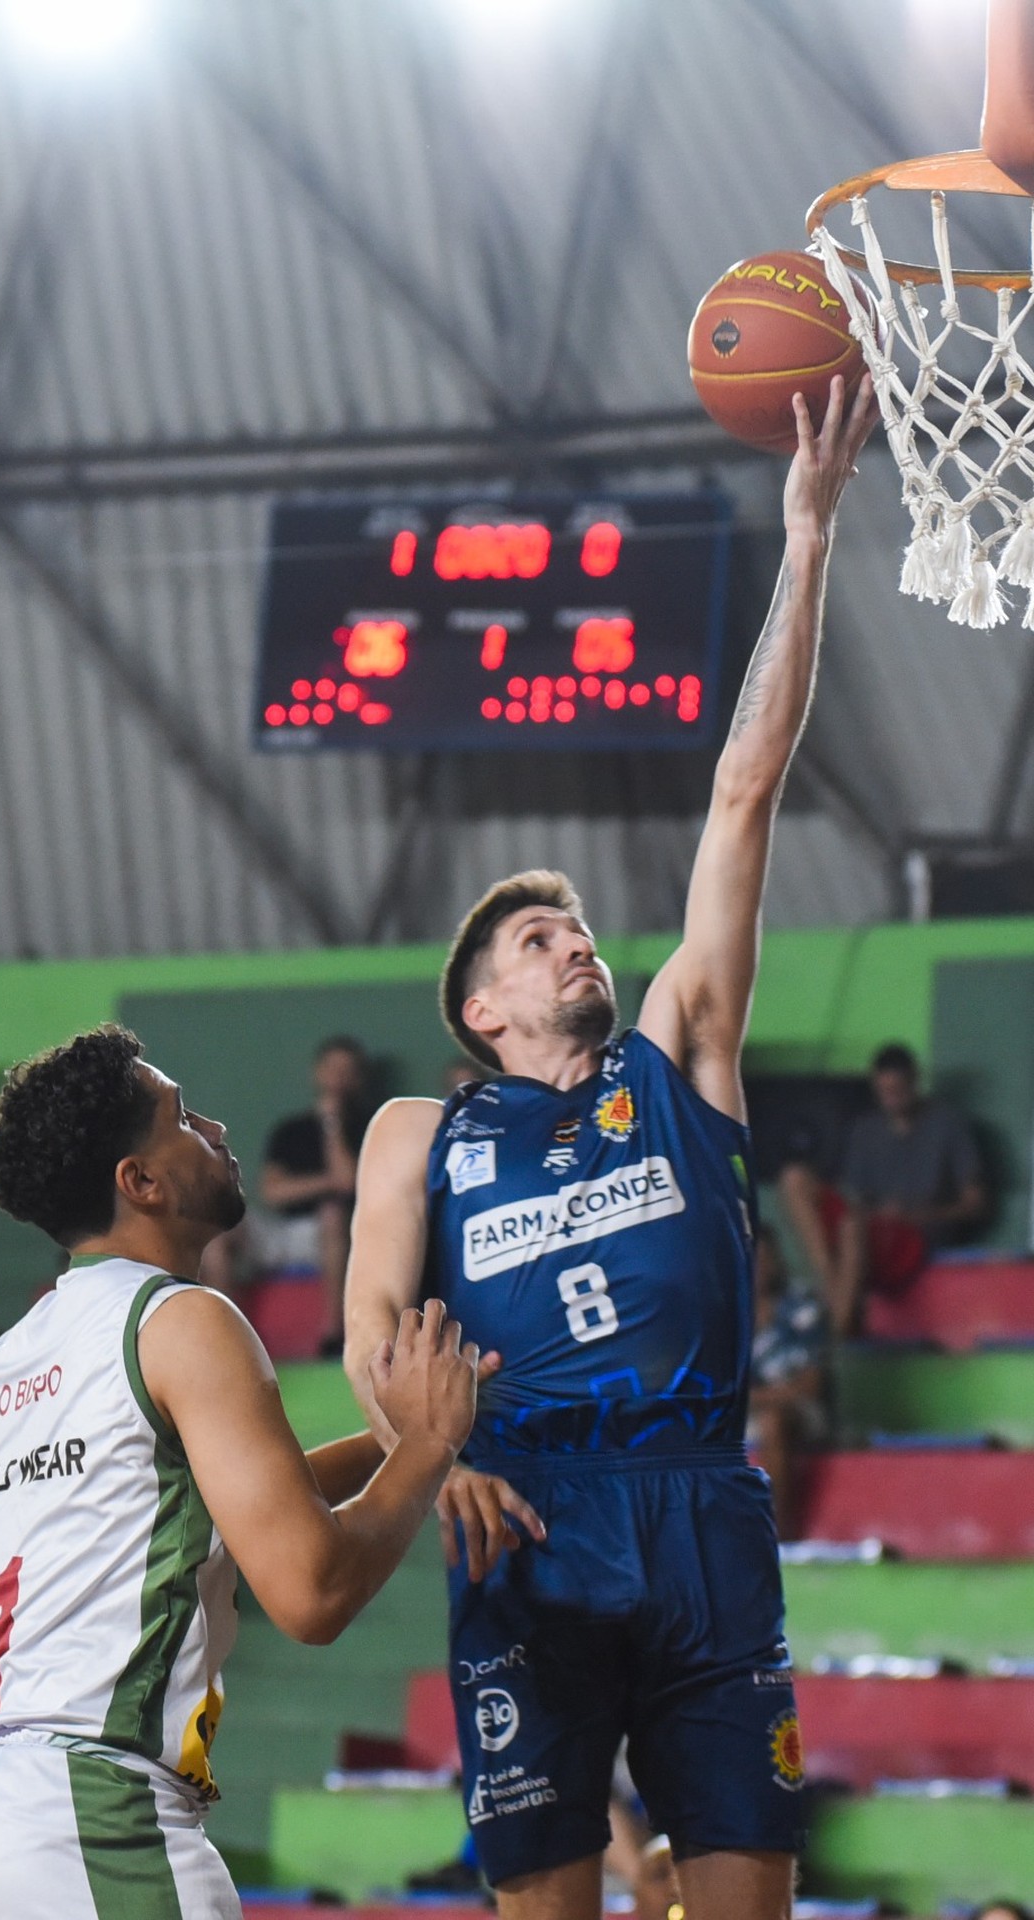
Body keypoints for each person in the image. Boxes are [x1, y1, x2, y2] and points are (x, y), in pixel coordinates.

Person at [345, 375, 877, 1920]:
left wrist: (808, 532)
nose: (572, 938)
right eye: (535, 934)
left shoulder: (675, 1049)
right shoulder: (420, 1132)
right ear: (482, 1010)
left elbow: (742, 788)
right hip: (530, 1522)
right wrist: (415, 1448)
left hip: (703, 1503)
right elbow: (374, 1334)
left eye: (575, 923)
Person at [0, 1024, 477, 1920]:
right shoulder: (186, 1318)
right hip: (96, 1820)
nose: (219, 1128)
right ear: (141, 1182)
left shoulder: (20, 1351)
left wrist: (398, 1441)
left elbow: (220, 1504)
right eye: (183, 1118)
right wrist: (428, 1447)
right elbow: (310, 1590)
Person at [779, 1042, 987, 1337]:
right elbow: (853, 1196)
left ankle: (837, 1335)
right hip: (870, 1228)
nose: (891, 1099)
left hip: (915, 1235)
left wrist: (914, 1215)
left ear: (914, 1082)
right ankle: (832, 1292)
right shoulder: (866, 1129)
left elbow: (975, 1205)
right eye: (884, 1091)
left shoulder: (948, 1123)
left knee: (852, 1226)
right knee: (795, 1178)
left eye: (898, 1090)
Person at [202, 1035, 375, 1356]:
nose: (338, 1077)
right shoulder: (291, 1130)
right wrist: (328, 1182)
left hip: (335, 1237)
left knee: (332, 1214)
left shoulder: (369, 1126)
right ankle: (227, 1337)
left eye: (346, 1070)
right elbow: (273, 1192)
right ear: (318, 1073)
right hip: (282, 1232)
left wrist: (332, 1124)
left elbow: (349, 1182)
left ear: (357, 1078)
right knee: (220, 1228)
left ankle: (334, 1336)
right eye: (331, 1068)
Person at [747, 1225, 830, 1541]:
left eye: (766, 1257)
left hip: (801, 1412)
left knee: (774, 1421)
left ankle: (778, 1537)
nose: (760, 1266)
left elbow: (810, 1387)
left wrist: (754, 1397)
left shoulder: (802, 1305)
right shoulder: (727, 1312)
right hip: (743, 1412)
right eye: (753, 1258)